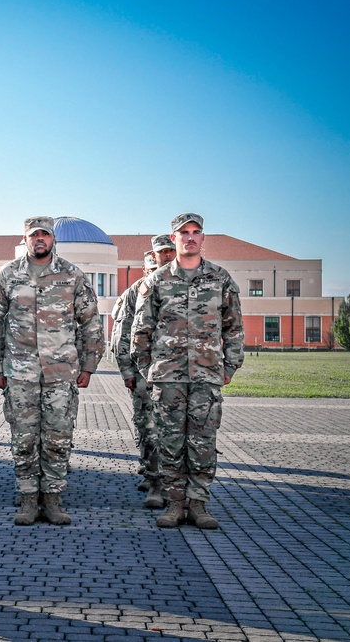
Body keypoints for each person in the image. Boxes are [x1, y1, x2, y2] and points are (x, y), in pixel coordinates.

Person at [0, 216, 103, 526]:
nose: (40, 239)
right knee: (23, 438)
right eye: (34, 235)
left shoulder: (72, 276)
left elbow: (90, 322)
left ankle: (53, 498)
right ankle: (27, 498)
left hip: (61, 373)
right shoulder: (7, 276)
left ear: (53, 239)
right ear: (25, 238)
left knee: (58, 436)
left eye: (44, 235)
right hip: (19, 373)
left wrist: (89, 365)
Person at [131, 213, 245, 530]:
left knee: (203, 443)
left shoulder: (221, 280)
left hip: (207, 377)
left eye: (196, 232)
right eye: (184, 233)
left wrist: (230, 367)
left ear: (203, 239)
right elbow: (141, 332)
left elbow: (234, 328)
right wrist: (150, 370)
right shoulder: (157, 281)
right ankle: (174, 504)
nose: (190, 237)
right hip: (168, 378)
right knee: (169, 442)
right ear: (175, 238)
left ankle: (198, 505)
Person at [110, 248, 161, 508]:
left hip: (172, 372)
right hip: (143, 374)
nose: (156, 274)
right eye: (151, 270)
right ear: (145, 270)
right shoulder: (134, 293)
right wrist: (127, 371)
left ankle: (172, 482)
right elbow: (121, 335)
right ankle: (153, 476)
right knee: (148, 425)